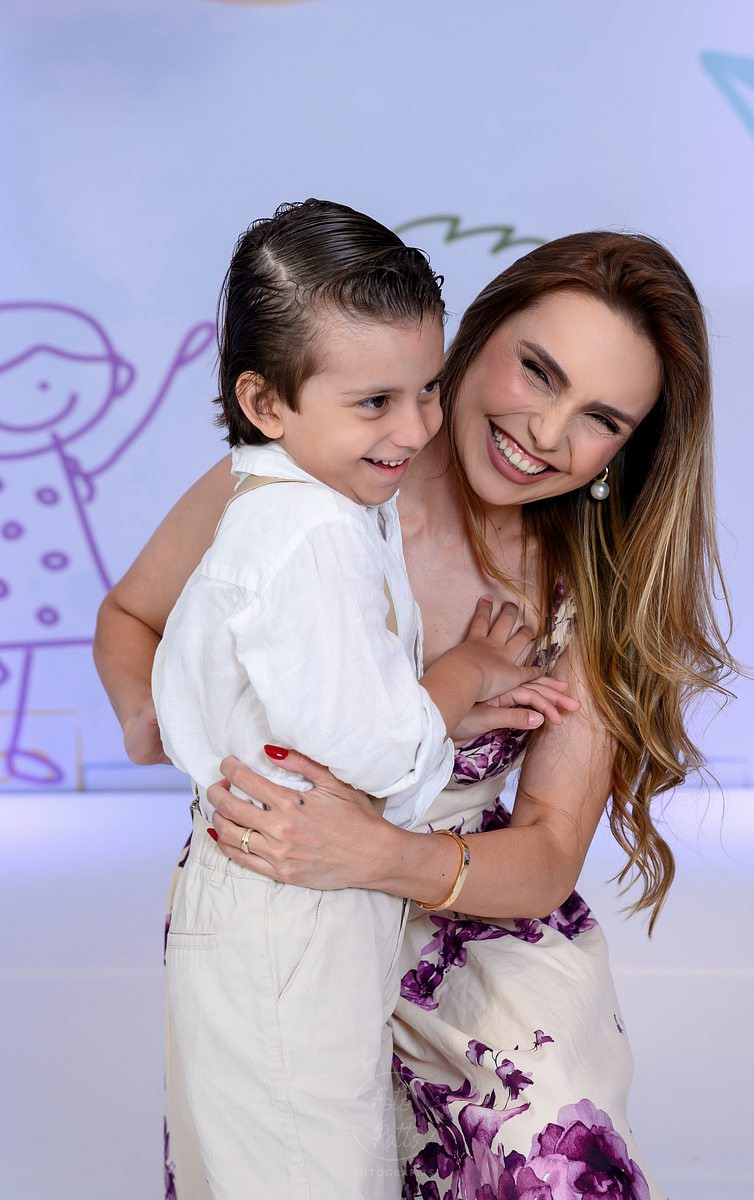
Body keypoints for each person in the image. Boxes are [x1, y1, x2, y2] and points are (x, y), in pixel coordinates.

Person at [95, 229, 736, 1200]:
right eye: (537, 371)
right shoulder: (292, 485)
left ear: (626, 448)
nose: (546, 432)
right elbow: (132, 616)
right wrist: (163, 720)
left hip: (467, 914)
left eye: (600, 418)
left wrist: (379, 854)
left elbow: (548, 851)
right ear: (475, 335)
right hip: (287, 908)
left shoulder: (589, 589)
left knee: (548, 1152)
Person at [149, 199, 575, 1200]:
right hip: (293, 910)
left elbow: (330, 704)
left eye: (427, 389)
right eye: (376, 401)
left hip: (292, 902)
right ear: (266, 403)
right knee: (315, 1169)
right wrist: (464, 673)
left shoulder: (307, 504)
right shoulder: (310, 536)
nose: (417, 428)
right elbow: (377, 753)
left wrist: (432, 711)